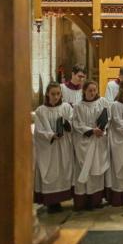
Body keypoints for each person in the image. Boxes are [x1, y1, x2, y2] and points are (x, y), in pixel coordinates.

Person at [33, 82, 74, 213]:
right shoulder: (40, 111)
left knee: (63, 171)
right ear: (47, 94)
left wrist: (67, 124)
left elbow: (74, 122)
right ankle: (51, 202)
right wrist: (51, 135)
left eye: (58, 94)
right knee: (50, 172)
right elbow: (38, 131)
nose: (56, 97)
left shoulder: (66, 107)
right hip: (49, 148)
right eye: (53, 94)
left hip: (63, 145)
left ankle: (62, 198)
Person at [72, 81, 111, 210]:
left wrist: (102, 129)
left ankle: (96, 200)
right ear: (84, 91)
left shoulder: (103, 102)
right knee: (85, 171)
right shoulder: (78, 106)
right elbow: (76, 124)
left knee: (97, 171)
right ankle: (83, 201)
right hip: (85, 143)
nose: (93, 93)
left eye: (95, 90)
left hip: (99, 141)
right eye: (90, 90)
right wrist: (91, 130)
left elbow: (109, 118)